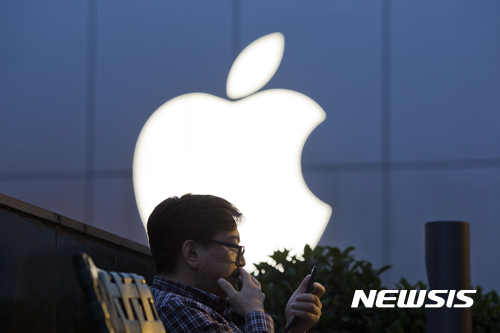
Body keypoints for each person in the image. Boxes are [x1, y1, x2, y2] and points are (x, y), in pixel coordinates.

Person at [147, 193, 325, 333]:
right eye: (233, 247)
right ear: (192, 253)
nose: (242, 262)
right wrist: (254, 310)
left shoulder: (197, 309)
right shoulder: (177, 309)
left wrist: (294, 329)